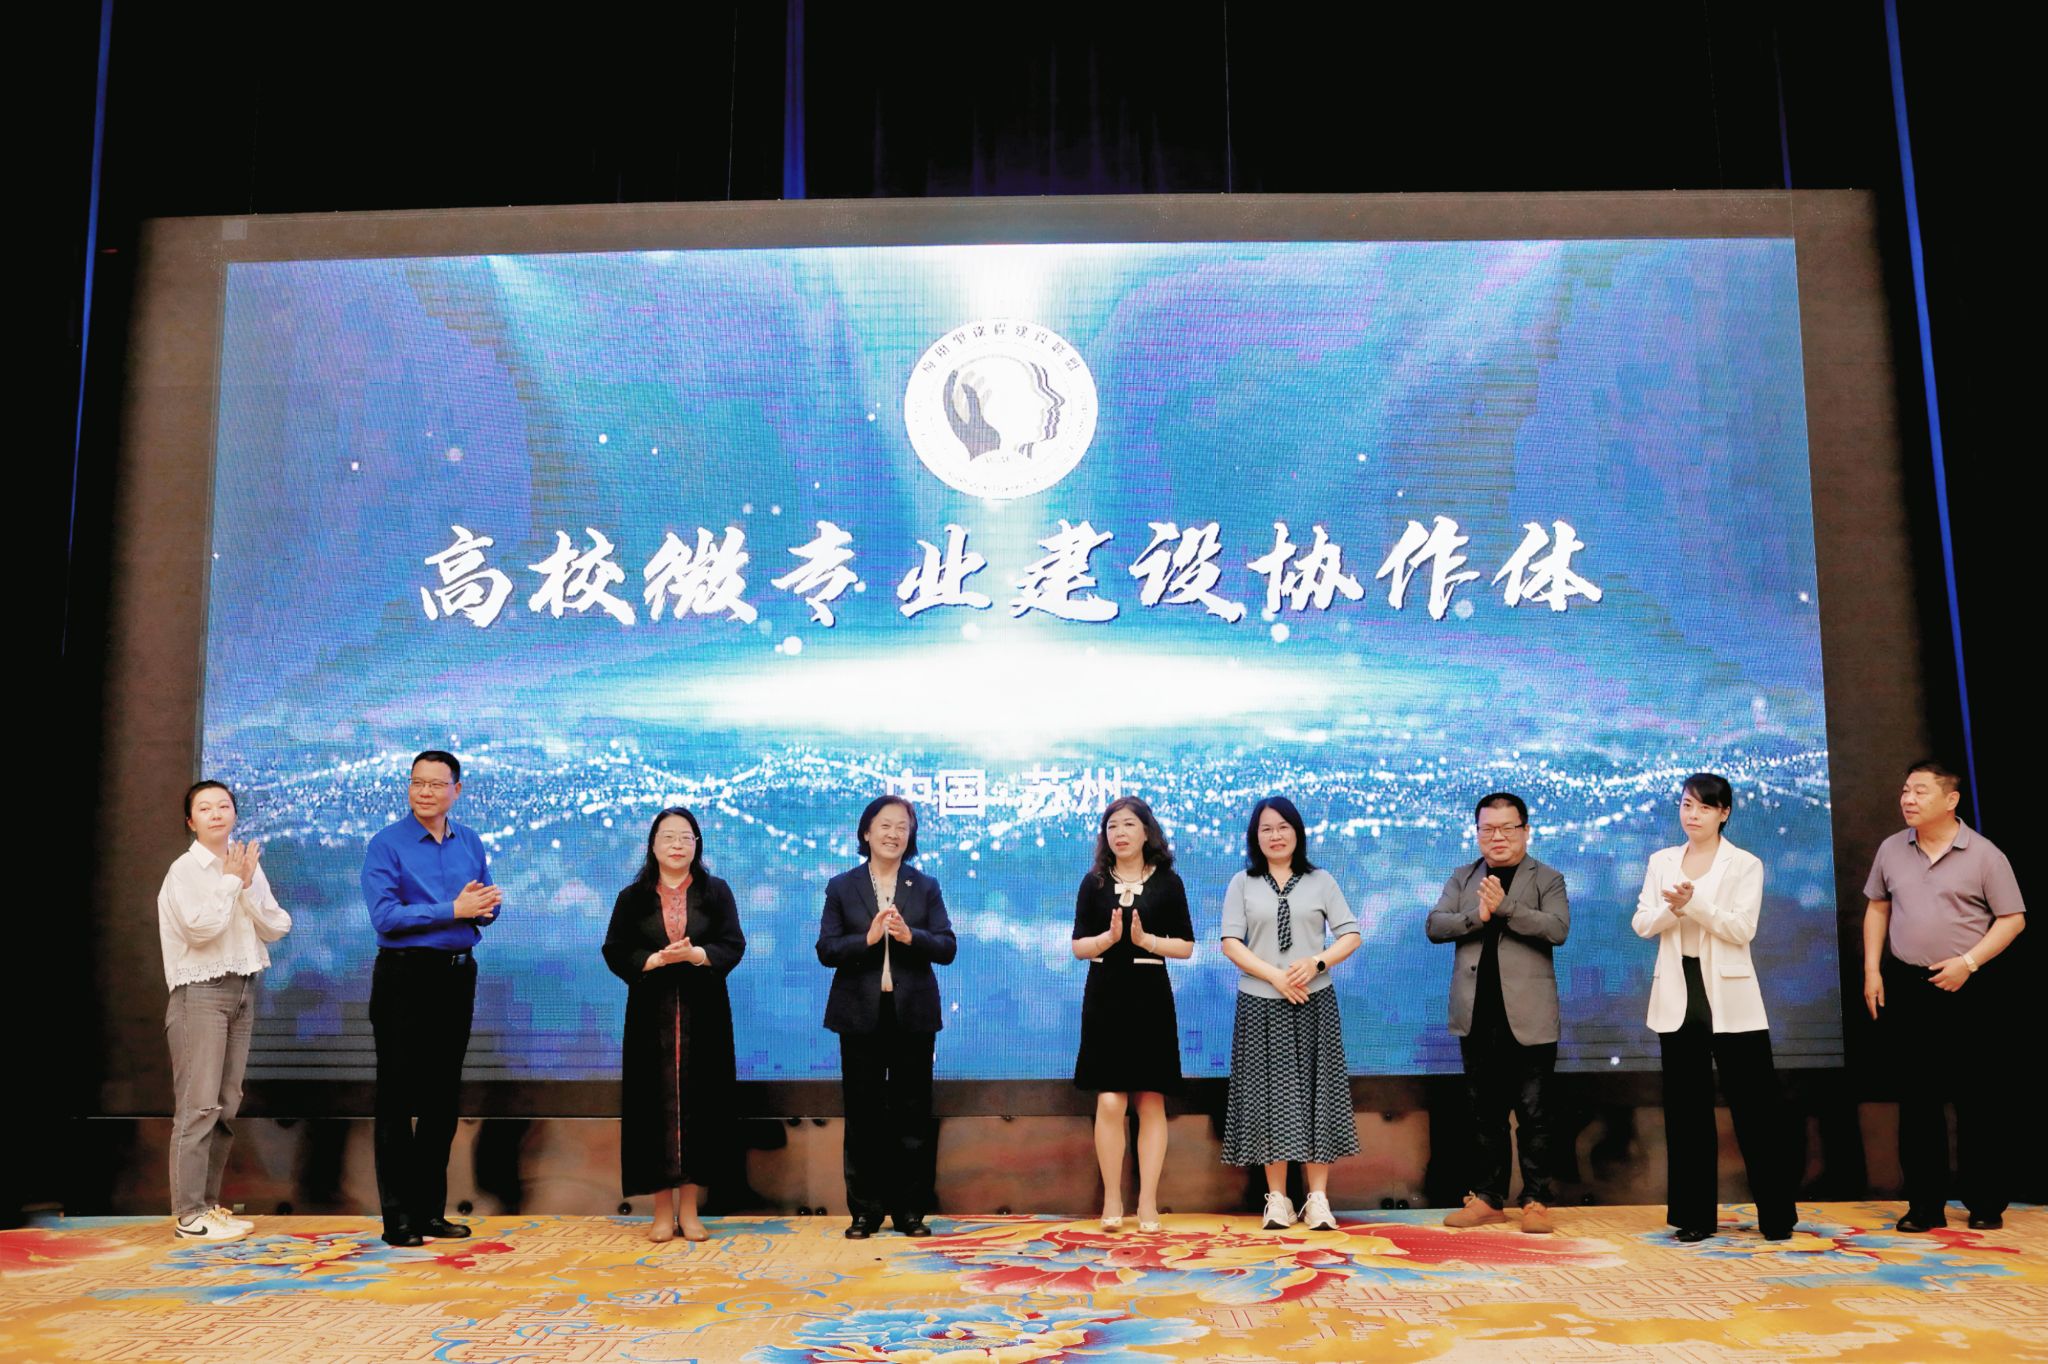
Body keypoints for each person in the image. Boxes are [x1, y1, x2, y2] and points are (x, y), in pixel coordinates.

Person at [1862, 759, 2026, 1232]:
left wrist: (1968, 963)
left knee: (1979, 1098)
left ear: (1951, 800)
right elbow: (1877, 907)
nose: (1908, 800)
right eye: (1905, 791)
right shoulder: (1892, 848)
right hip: (1909, 986)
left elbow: (2013, 919)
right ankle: (1925, 1205)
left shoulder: (1984, 854)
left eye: (1920, 792)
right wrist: (1872, 970)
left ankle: (1985, 1202)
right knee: (1918, 1099)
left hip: (1970, 986)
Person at [1631, 774, 1796, 1242]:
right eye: (1687, 805)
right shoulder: (1661, 861)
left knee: (1756, 1108)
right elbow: (1642, 922)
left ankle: (1776, 1215)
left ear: (1724, 813)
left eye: (1704, 807)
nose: (1693, 815)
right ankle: (1694, 1217)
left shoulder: (1745, 863)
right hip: (1678, 992)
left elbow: (1742, 929)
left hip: (1730, 995)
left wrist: (1694, 904)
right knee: (1686, 1112)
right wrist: (1675, 908)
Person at [361, 749, 502, 1247]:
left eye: (436, 784)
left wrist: (485, 909)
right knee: (397, 1098)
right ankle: (397, 1219)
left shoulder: (470, 841)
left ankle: (428, 1212)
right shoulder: (387, 844)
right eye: (417, 782)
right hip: (405, 976)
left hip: (457, 975)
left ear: (455, 791)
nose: (425, 791)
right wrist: (453, 909)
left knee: (442, 1099)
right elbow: (385, 917)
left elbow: (482, 904)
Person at [1426, 791, 1569, 1235]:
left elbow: (1557, 928)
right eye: (1488, 828)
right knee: (1483, 1113)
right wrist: (1479, 915)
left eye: (1507, 828)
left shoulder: (1548, 878)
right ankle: (1488, 1198)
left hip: (1529, 1014)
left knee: (1534, 1113)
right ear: (1477, 832)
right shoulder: (1462, 877)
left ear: (1526, 831)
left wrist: (1506, 908)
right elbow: (1435, 925)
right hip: (1476, 1013)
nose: (1497, 836)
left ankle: (1536, 1200)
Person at [602, 807, 746, 1243]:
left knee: (702, 1106)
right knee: (652, 1109)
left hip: (705, 1013)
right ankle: (662, 1211)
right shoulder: (632, 897)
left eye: (686, 837)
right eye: (668, 837)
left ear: (697, 845)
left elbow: (732, 944)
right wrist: (652, 960)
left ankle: (690, 1210)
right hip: (650, 1015)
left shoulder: (716, 892)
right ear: (653, 845)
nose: (677, 845)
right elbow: (615, 949)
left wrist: (697, 955)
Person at [157, 780, 292, 1242]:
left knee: (225, 1105)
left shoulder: (244, 864)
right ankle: (188, 1214)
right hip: (200, 993)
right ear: (190, 821)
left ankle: (209, 1207)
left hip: (242, 990)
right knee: (197, 1106)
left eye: (224, 806)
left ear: (234, 813)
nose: (216, 814)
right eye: (205, 808)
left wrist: (246, 884)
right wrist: (233, 882)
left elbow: (277, 925)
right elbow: (200, 930)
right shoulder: (183, 871)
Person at [816, 795, 957, 1239]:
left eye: (902, 827)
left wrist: (911, 936)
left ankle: (910, 1210)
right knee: (863, 1115)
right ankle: (865, 1211)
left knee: (912, 1114)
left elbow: (947, 946)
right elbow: (827, 950)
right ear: (866, 832)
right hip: (859, 1016)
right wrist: (869, 938)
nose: (894, 834)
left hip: (913, 1015)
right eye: (885, 825)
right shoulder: (842, 887)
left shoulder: (925, 886)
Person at [1219, 795, 1361, 1232]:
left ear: (1297, 832)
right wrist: (1275, 978)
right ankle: (1277, 1199)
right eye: (1266, 829)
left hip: (1313, 1000)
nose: (1275, 835)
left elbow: (1350, 934)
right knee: (1268, 1098)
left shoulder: (1321, 880)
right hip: (1260, 1001)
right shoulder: (1242, 883)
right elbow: (1231, 943)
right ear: (1255, 837)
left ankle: (1317, 1199)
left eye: (1283, 827)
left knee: (1319, 1094)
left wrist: (1317, 963)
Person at [1071, 797, 1194, 1232]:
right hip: (1105, 995)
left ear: (1146, 832)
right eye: (1112, 826)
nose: (1119, 833)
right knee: (1109, 1100)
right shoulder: (1093, 883)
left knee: (1151, 1099)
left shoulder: (1168, 883)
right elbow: (1078, 946)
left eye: (1128, 824)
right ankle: (1112, 1197)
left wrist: (1147, 942)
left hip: (1150, 996)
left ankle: (1147, 1203)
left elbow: (1186, 946)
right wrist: (1108, 938)